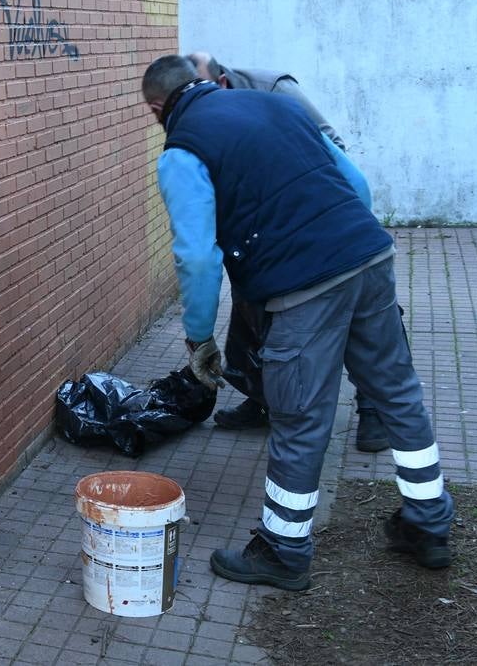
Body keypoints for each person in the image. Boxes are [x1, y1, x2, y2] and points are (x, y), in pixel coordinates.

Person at [143, 54, 453, 591]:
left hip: (303, 288)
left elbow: (196, 257)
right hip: (369, 256)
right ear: (204, 84)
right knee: (398, 393)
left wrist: (199, 336)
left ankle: (284, 551)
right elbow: (355, 183)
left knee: (300, 417)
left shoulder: (181, 151)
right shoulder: (274, 105)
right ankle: (428, 525)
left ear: (156, 109)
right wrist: (346, 243)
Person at [185, 51, 389, 454]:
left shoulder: (275, 90)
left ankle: (375, 408)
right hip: (259, 230)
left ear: (221, 83)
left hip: (327, 222)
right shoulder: (206, 115)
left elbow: (335, 149)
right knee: (249, 303)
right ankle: (259, 398)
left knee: (363, 311)